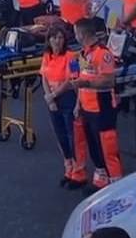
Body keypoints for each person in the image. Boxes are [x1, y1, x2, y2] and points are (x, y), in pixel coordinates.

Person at [72, 18, 123, 191]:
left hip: (103, 107)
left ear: (82, 34)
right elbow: (82, 79)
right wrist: (78, 105)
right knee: (93, 145)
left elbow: (109, 81)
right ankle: (101, 179)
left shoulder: (103, 53)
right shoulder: (83, 53)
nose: (75, 36)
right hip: (87, 107)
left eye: (76, 33)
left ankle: (117, 184)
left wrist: (86, 84)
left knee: (108, 147)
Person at [41, 25, 87, 188]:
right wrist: (50, 98)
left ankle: (79, 173)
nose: (57, 41)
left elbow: (71, 80)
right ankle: (69, 169)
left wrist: (53, 95)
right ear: (49, 40)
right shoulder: (47, 56)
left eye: (60, 38)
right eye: (54, 37)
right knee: (60, 135)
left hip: (67, 98)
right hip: (54, 100)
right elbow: (44, 77)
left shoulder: (71, 56)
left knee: (73, 137)